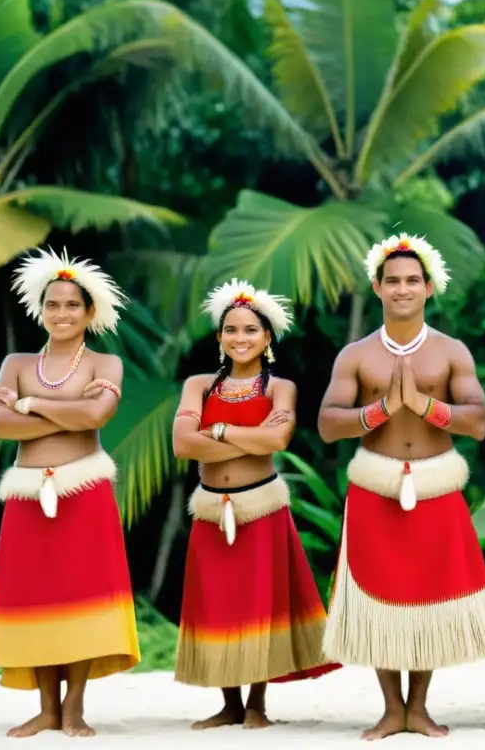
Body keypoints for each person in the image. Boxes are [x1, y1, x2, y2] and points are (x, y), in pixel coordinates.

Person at [318, 233, 485, 740]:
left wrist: (425, 406)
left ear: (428, 288)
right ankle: (390, 709)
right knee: (380, 600)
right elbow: (328, 424)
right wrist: (380, 411)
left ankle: (418, 708)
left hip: (435, 484)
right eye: (392, 281)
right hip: (375, 487)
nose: (402, 289)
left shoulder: (451, 351)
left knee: (428, 598)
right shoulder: (356, 355)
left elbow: (479, 423)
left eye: (412, 281)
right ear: (377, 288)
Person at [0, 247, 139, 738]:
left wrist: (27, 404)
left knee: (84, 596)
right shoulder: (17, 361)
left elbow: (94, 419)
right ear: (40, 308)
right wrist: (62, 409)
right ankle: (47, 708)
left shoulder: (105, 363)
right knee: (35, 597)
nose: (62, 313)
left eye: (73, 305)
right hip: (29, 497)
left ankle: (74, 707)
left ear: (89, 312)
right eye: (53, 304)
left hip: (84, 493)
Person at [172, 278, 340, 729]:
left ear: (267, 338)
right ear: (218, 338)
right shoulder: (199, 385)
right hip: (211, 509)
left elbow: (278, 438)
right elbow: (183, 445)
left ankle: (256, 705)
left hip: (261, 509)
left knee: (260, 602)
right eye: (231, 330)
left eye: (250, 330)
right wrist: (251, 440)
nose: (239, 338)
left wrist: (220, 433)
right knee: (220, 602)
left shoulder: (278, 388)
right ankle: (228, 703)